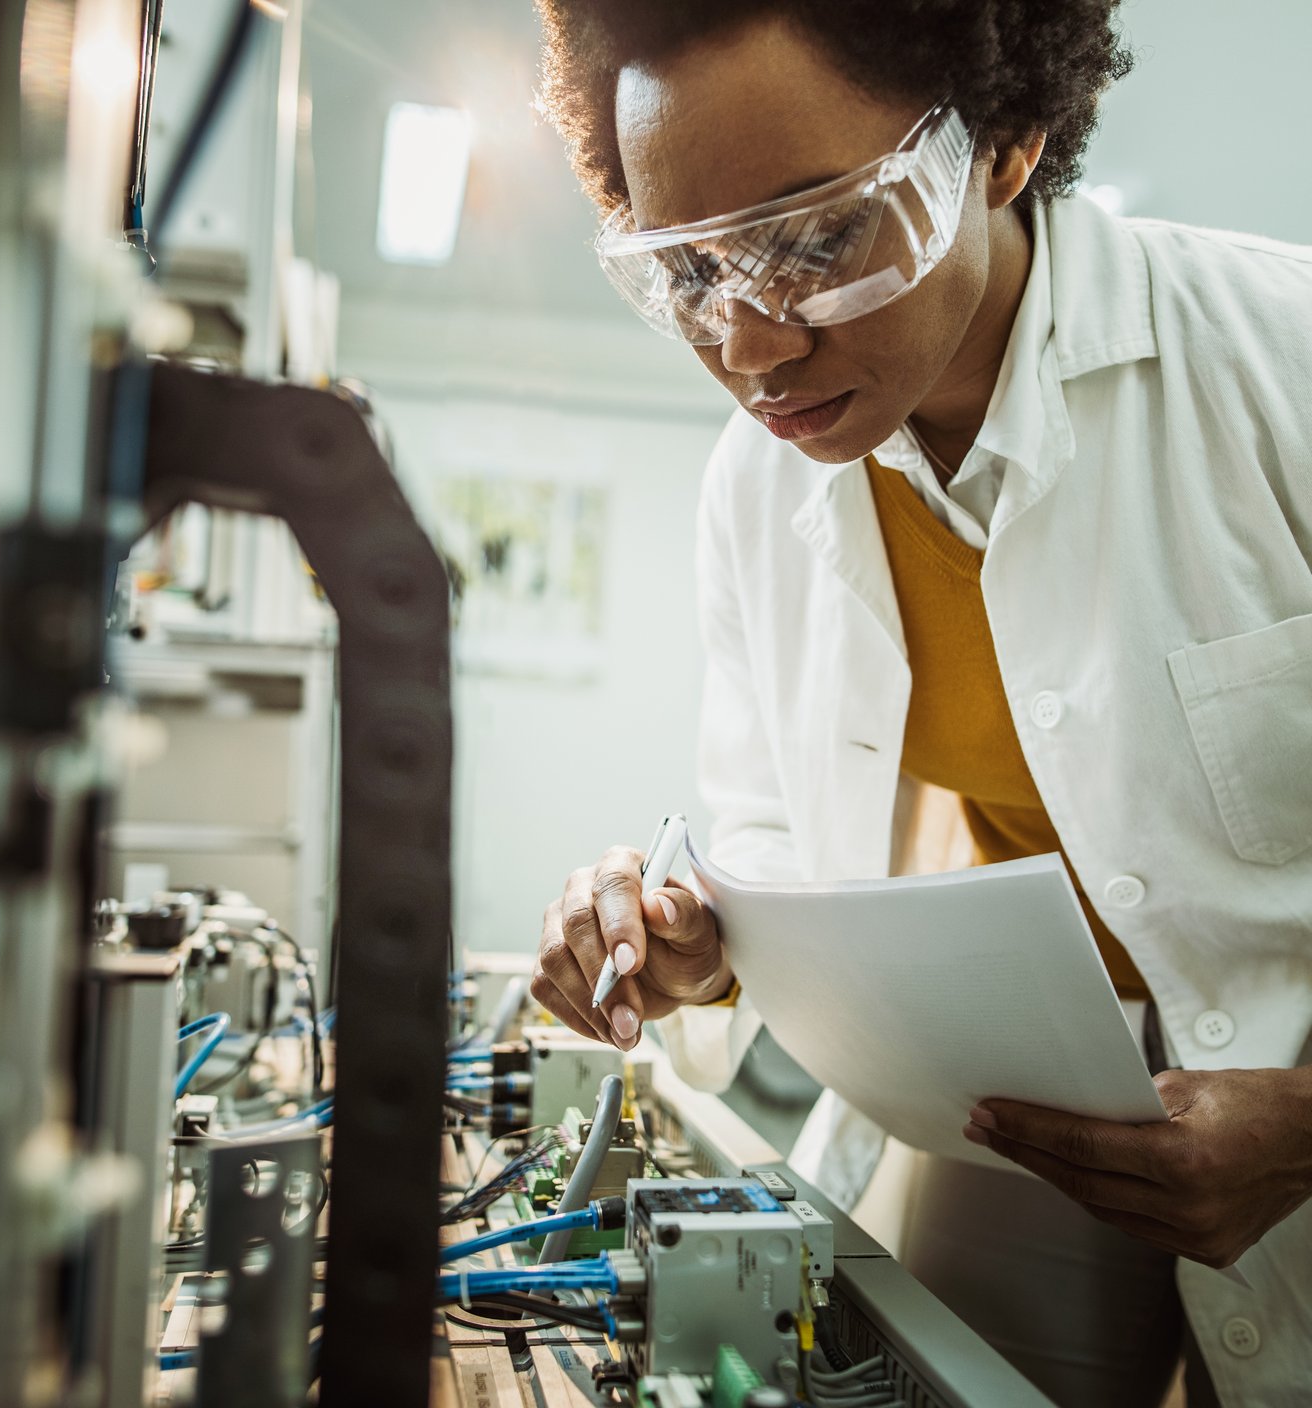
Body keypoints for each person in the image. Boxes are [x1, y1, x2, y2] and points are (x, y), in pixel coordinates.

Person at [527, 3, 1312, 1404]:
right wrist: (690, 942)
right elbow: (769, 847)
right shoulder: (759, 486)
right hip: (1037, 1099)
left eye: (819, 238)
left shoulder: (1284, 361)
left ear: (1002, 141)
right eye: (691, 269)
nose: (752, 346)